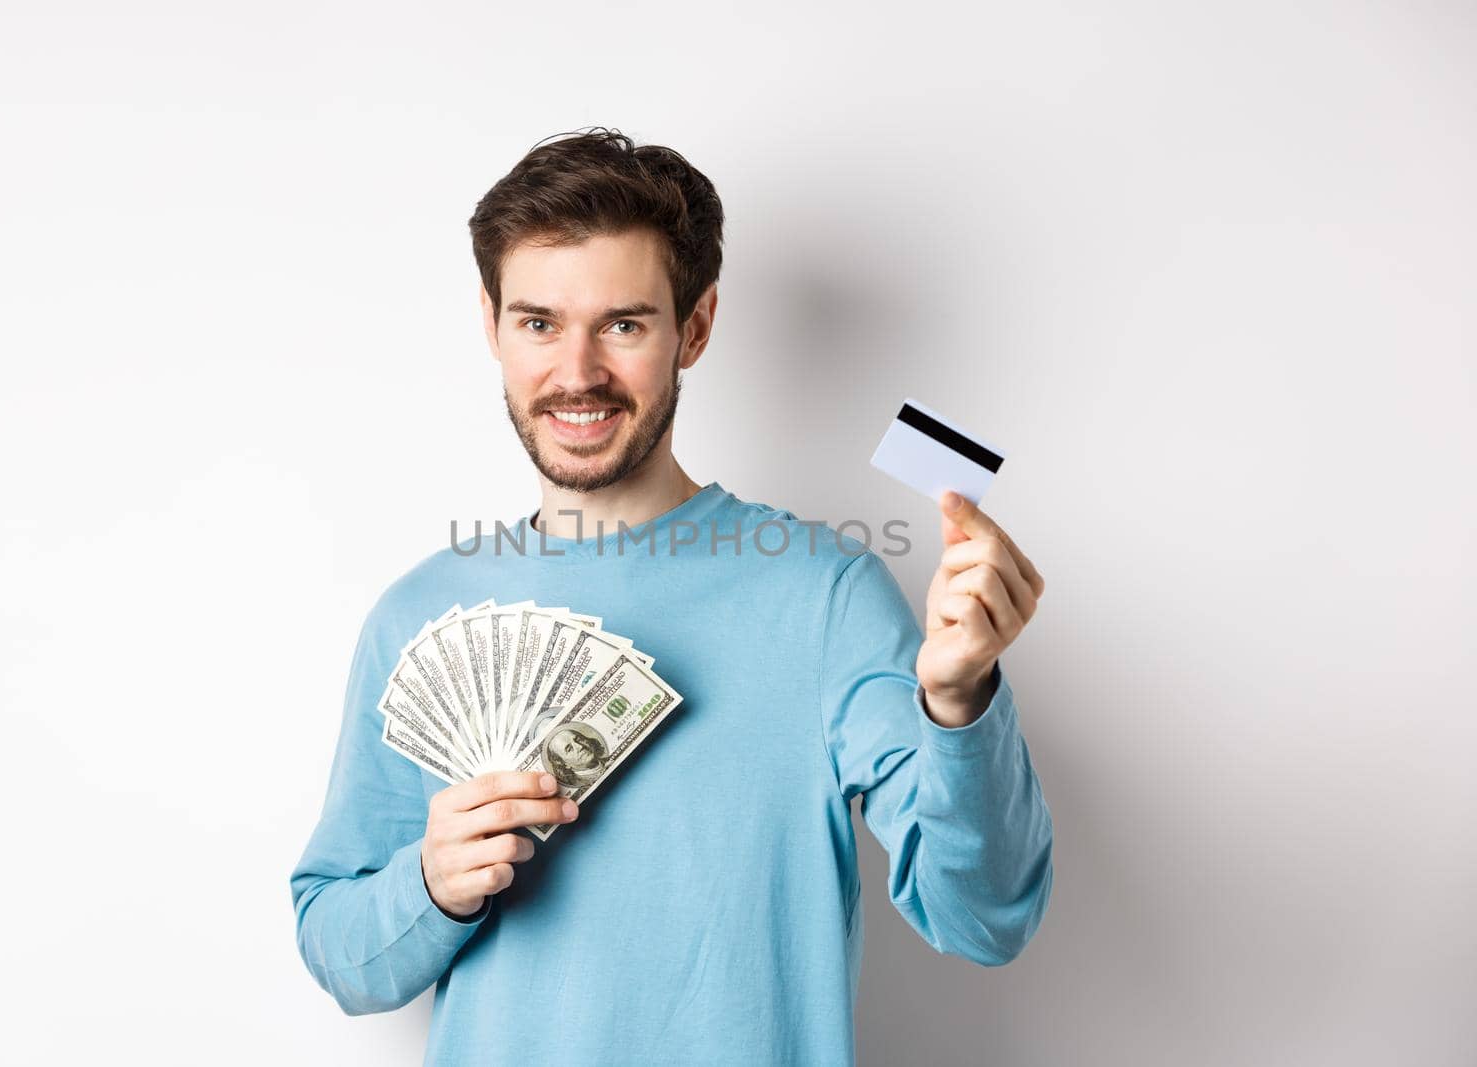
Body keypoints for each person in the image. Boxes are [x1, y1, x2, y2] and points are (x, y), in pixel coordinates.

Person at [289, 127, 1054, 1066]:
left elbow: (987, 919)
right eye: (539, 323)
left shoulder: (824, 594)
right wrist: (430, 883)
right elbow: (339, 950)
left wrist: (959, 703)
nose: (577, 374)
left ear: (695, 327)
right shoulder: (419, 615)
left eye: (624, 324)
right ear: (490, 324)